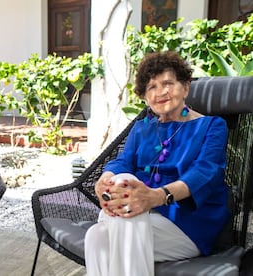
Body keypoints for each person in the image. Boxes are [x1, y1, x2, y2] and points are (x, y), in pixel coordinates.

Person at [84, 51, 230, 276]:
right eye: (151, 87)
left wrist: (158, 197)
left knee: (120, 223)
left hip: (188, 222)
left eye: (168, 83)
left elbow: (205, 171)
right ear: (145, 95)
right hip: (139, 214)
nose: (160, 92)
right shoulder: (143, 128)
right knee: (96, 236)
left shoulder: (211, 126)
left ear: (185, 87)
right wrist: (105, 180)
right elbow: (123, 161)